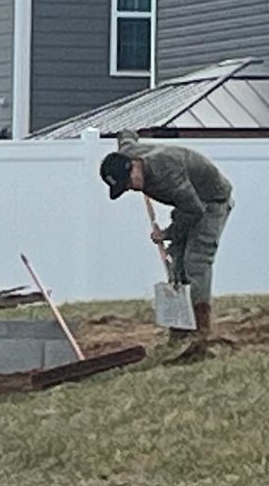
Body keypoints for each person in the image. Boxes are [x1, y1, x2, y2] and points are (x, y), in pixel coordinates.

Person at [97, 131, 235, 336]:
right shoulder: (126, 154)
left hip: (211, 201)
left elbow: (195, 211)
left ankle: (201, 328)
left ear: (134, 166)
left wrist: (167, 233)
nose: (130, 188)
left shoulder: (167, 173)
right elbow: (127, 137)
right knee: (176, 260)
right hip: (188, 202)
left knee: (196, 261)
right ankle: (181, 326)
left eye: (128, 183)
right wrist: (126, 132)